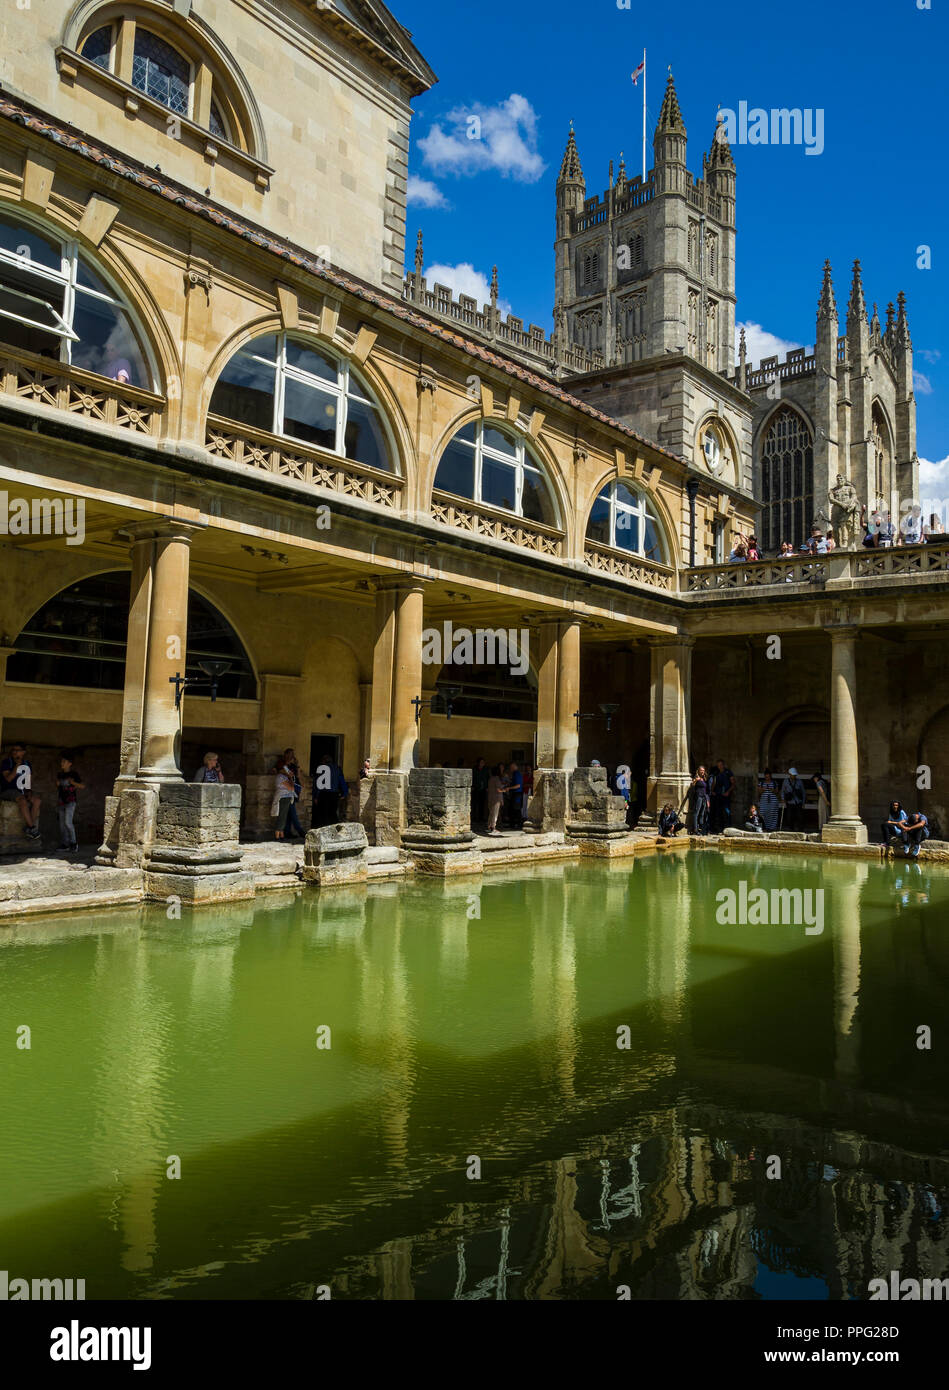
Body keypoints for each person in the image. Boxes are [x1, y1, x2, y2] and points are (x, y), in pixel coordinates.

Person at [0, 743, 42, 839]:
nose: (14, 752)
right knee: (22, 800)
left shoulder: (27, 764)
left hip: (21, 792)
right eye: (13, 750)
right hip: (8, 791)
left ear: (23, 752)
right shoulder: (7, 762)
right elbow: (8, 779)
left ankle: (29, 828)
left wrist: (29, 792)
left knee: (37, 801)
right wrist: (17, 765)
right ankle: (32, 828)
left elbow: (27, 783)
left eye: (17, 750)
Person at [56, 752, 84, 852]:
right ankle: (65, 844)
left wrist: (73, 783)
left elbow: (82, 786)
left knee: (68, 822)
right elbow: (59, 787)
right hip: (61, 802)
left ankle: (73, 843)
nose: (62, 763)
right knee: (62, 824)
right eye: (62, 761)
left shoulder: (74, 774)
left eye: (64, 761)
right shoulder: (60, 774)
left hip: (71, 802)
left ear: (69, 763)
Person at [312, 755, 348, 828]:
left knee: (323, 814)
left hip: (323, 794)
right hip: (334, 794)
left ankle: (324, 831)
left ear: (323, 761)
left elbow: (318, 783)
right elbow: (342, 781)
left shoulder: (321, 768)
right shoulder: (337, 768)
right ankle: (335, 831)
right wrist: (345, 792)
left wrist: (316, 796)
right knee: (333, 814)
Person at [271, 757, 296, 840]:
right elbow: (291, 787)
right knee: (282, 816)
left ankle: (281, 834)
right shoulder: (280, 777)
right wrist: (290, 777)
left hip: (286, 797)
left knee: (283, 816)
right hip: (283, 797)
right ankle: (278, 835)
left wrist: (290, 777)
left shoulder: (283, 777)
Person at [709, 758, 736, 832]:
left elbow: (733, 784)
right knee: (719, 812)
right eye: (718, 765)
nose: (719, 766)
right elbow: (714, 782)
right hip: (718, 795)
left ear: (723, 765)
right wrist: (712, 791)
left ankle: (729, 827)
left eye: (721, 765)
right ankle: (720, 829)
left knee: (727, 811)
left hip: (726, 795)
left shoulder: (728, 772)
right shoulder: (716, 773)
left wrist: (728, 792)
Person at [780, 767, 806, 831]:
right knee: (789, 817)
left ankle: (800, 829)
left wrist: (803, 802)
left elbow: (803, 792)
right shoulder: (785, 781)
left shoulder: (799, 781)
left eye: (795, 775)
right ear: (790, 774)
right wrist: (783, 799)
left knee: (799, 817)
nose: (794, 776)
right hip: (789, 802)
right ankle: (791, 829)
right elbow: (782, 791)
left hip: (798, 802)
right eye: (792, 775)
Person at [688, 766, 710, 835]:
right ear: (698, 771)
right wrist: (695, 781)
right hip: (698, 797)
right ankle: (695, 830)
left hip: (704, 797)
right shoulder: (696, 778)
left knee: (702, 814)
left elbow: (705, 790)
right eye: (701, 770)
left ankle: (701, 829)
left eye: (703, 770)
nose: (702, 772)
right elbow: (692, 785)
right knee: (696, 813)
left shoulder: (704, 779)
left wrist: (707, 800)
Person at [486, 765, 505, 835]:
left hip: (490, 798)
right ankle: (493, 828)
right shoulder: (496, 779)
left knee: (491, 813)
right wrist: (504, 790)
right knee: (495, 814)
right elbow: (498, 789)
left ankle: (489, 827)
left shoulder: (490, 779)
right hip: (496, 799)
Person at [471, 756, 489, 827]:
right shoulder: (474, 769)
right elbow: (472, 777)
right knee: (475, 804)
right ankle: (475, 818)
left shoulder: (485, 769)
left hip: (483, 789)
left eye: (483, 762)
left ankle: (481, 818)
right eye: (481, 762)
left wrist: (487, 787)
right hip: (476, 788)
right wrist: (472, 786)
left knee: (482, 804)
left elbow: (487, 778)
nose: (482, 764)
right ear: (478, 763)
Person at [505, 761, 523, 830]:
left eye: (511, 767)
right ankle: (512, 824)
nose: (510, 769)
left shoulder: (516, 773)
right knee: (513, 809)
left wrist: (509, 788)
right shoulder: (515, 774)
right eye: (510, 768)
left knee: (516, 809)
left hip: (517, 794)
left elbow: (518, 785)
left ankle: (519, 824)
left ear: (515, 767)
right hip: (515, 794)